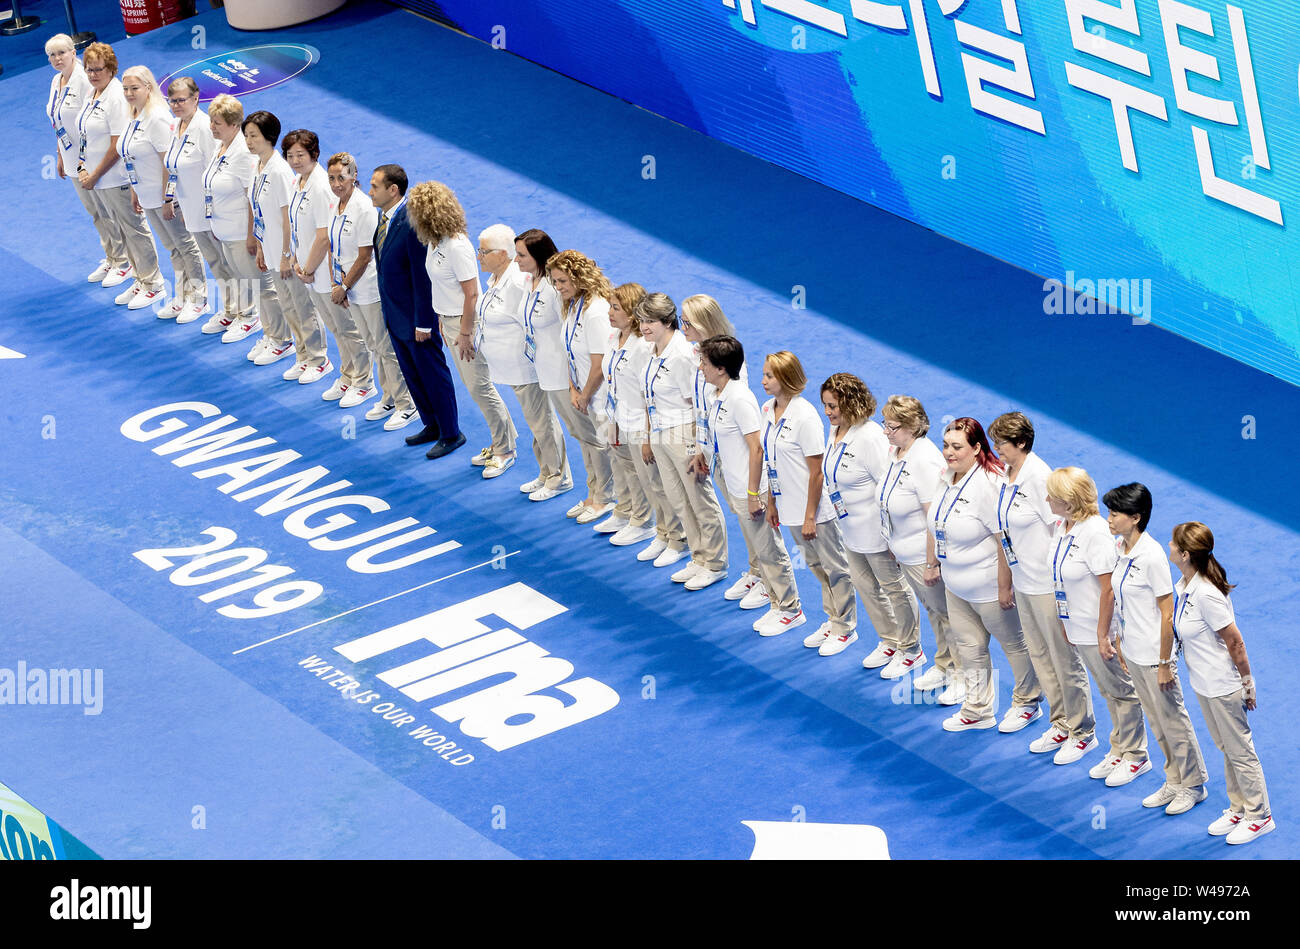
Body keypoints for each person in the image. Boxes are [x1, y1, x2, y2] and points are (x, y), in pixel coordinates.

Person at [926, 418, 1042, 732]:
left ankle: (1027, 702)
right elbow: (937, 523)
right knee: (969, 647)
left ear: (977, 449)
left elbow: (1003, 541)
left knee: (1013, 645)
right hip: (956, 584)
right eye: (946, 445)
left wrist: (1005, 587)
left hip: (989, 586)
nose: (949, 452)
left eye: (957, 447)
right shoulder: (945, 477)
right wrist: (933, 563)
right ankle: (978, 709)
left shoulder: (989, 484)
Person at [989, 412, 1095, 755]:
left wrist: (1060, 584)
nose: (996, 449)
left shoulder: (1039, 477)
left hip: (1048, 587)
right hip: (1024, 581)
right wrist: (1009, 581)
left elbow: (1059, 530)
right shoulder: (1008, 472)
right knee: (1040, 655)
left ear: (1021, 443)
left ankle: (1083, 731)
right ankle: (1061, 722)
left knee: (1064, 659)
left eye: (1001, 443)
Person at [1169, 522, 1275, 844]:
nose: (1169, 547)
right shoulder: (1184, 585)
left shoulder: (1206, 594)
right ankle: (1239, 806)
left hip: (1223, 686)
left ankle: (1260, 815)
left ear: (1186, 554)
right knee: (1226, 747)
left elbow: (1235, 642)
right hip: (1203, 683)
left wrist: (1247, 682)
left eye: (1174, 544)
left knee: (1240, 751)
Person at [1046, 467, 1152, 781]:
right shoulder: (1062, 526)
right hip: (1078, 622)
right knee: (1109, 691)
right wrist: (1066, 619)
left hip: (1098, 628)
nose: (1047, 499)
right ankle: (1119, 749)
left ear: (1068, 501)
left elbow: (1108, 589)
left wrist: (1104, 633)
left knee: (1121, 691)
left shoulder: (1094, 533)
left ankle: (1135, 755)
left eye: (1052, 495)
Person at [1104, 483, 1208, 797]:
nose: (1108, 519)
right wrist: (1120, 641)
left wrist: (1165, 663)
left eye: (1114, 514)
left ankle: (1193, 785)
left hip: (1154, 656)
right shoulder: (1121, 550)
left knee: (1173, 721)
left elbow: (1166, 613)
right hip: (1133, 651)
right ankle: (1173, 779)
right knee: (1156, 721)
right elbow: (1124, 603)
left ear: (1135, 517)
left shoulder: (1151, 557)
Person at [699, 337, 804, 635]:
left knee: (770, 550)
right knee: (760, 548)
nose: (701, 368)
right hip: (735, 484)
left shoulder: (740, 399)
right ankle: (775, 601)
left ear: (721, 369)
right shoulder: (718, 394)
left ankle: (790, 608)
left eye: (705, 364)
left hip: (750, 490)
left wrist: (753, 493)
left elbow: (757, 449)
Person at [408, 181, 516, 466]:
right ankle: (502, 440)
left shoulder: (457, 246)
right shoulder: (435, 242)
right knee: (475, 386)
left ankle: (505, 449)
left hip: (467, 324)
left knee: (480, 387)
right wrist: (442, 319)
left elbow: (471, 294)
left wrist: (465, 333)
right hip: (451, 321)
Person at [821, 374, 920, 675]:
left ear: (851, 404)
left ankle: (912, 649)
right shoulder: (835, 429)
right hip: (850, 531)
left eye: (833, 406)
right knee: (866, 586)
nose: (828, 412)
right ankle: (889, 640)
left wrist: (892, 536)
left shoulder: (871, 438)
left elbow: (887, 488)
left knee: (895, 589)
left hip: (878, 535)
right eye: (825, 405)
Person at [761, 351, 856, 651]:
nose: (763, 381)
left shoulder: (805, 417)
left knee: (835, 568)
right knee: (816, 566)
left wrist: (811, 516)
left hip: (814, 510)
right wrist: (772, 502)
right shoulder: (767, 409)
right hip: (788, 505)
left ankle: (845, 627)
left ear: (787, 379)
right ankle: (832, 619)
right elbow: (770, 461)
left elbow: (817, 473)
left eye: (769, 376)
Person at [368, 164, 461, 448]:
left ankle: (450, 432)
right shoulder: (384, 219)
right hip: (396, 316)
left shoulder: (411, 223)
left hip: (416, 320)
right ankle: (431, 424)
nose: (369, 191)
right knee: (413, 375)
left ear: (392, 190)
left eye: (374, 186)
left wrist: (424, 322)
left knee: (432, 375)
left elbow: (423, 279)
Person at [680, 294, 762, 608]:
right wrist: (698, 449)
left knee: (752, 518)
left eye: (688, 322)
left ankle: (767, 577)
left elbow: (732, 415)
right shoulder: (695, 356)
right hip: (713, 453)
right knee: (741, 517)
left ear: (705, 325)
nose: (683, 327)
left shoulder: (728, 360)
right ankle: (756, 570)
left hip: (735, 457)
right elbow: (699, 409)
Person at [639, 293, 726, 584]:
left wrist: (698, 444)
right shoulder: (654, 351)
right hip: (661, 432)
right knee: (679, 499)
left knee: (699, 499)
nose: (644, 327)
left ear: (667, 322)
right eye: (641, 320)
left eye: (650, 321)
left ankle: (715, 563)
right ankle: (698, 555)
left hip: (682, 432)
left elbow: (696, 403)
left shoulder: (681, 355)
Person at [879, 396, 961, 704]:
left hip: (922, 555)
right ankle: (944, 663)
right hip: (905, 551)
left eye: (892, 426)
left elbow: (934, 517)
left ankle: (962, 675)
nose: (886, 431)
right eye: (884, 423)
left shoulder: (924, 460)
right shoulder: (897, 452)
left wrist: (931, 563)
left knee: (948, 614)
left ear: (913, 426)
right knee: (934, 611)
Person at [322, 152, 413, 418]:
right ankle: (388, 396)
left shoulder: (362, 207)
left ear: (353, 177)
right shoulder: (335, 204)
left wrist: (344, 286)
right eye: (331, 178)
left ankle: (406, 403)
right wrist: (337, 283)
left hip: (368, 289)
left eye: (342, 177)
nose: (337, 183)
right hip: (351, 289)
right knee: (373, 345)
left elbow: (364, 256)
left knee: (385, 347)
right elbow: (334, 247)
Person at [76, 42, 165, 310]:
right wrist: (82, 166)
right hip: (97, 176)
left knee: (134, 229)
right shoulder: (93, 93)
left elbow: (116, 144)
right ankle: (139, 278)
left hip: (115, 177)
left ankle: (154, 282)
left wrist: (95, 174)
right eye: (89, 70)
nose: (92, 75)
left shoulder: (115, 96)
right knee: (119, 228)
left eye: (98, 69)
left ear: (111, 68)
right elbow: (84, 135)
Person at [243, 110, 330, 375]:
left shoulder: (280, 171)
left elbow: (286, 217)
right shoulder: (258, 166)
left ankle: (318, 359)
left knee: (303, 307)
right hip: (269, 249)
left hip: (286, 254)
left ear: (268, 137)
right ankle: (302, 355)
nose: (248, 141)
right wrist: (260, 246)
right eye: (246, 135)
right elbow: (259, 210)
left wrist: (284, 254)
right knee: (289, 306)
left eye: (253, 136)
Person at [201, 94, 283, 347]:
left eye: (217, 122)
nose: (211, 126)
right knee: (240, 278)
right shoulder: (220, 147)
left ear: (233, 124)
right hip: (224, 228)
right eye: (212, 121)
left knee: (262, 288)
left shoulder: (243, 154)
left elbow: (252, 199)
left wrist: (251, 236)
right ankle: (258, 324)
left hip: (240, 232)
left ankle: (278, 337)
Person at [120, 65, 201, 316]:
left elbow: (169, 162)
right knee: (173, 248)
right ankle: (182, 295)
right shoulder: (134, 114)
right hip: (147, 194)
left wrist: (168, 197)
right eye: (125, 89)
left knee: (185, 245)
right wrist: (135, 190)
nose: (130, 93)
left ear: (148, 87)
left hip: (165, 196)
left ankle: (198, 298)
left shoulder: (156, 117)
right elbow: (131, 156)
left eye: (135, 88)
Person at [287, 129, 362, 393]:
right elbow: (298, 227)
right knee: (336, 328)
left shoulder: (321, 185)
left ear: (314, 154)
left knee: (347, 329)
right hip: (309, 270)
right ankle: (347, 375)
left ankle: (363, 382)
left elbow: (323, 236)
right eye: (291, 155)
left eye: (301, 155)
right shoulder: (298, 182)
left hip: (324, 271)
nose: (295, 161)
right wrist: (296, 259)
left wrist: (307, 268)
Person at [45, 33, 123, 286]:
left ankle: (124, 261)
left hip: (90, 159)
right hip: (71, 159)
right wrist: (60, 155)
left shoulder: (83, 80)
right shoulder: (57, 80)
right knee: (96, 213)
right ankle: (111, 256)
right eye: (52, 55)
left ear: (72, 52)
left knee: (108, 210)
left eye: (62, 53)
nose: (57, 59)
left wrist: (87, 164)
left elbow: (91, 124)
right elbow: (57, 120)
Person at [548, 250, 616, 523]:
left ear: (580, 277)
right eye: (555, 282)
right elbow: (569, 350)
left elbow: (600, 363)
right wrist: (573, 389)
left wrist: (585, 394)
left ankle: (605, 498)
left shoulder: (597, 311)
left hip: (599, 396)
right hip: (581, 391)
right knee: (586, 442)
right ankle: (593, 491)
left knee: (600, 445)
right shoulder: (574, 304)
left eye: (563, 281)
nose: (558, 287)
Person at [512, 229, 572, 501]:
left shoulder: (554, 287)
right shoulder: (530, 281)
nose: (516, 260)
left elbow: (567, 329)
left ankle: (561, 478)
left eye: (522, 255)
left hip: (558, 368)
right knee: (539, 422)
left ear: (538, 256)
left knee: (554, 424)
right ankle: (547, 470)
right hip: (537, 362)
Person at [475, 223, 537, 477]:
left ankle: (555, 476)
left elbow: (531, 325)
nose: (478, 256)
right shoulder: (496, 278)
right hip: (507, 365)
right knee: (537, 422)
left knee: (540, 424)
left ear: (502, 254)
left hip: (523, 368)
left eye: (483, 251)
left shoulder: (516, 282)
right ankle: (548, 474)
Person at [598, 283, 658, 542]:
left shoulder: (642, 347)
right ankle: (625, 510)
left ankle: (643, 521)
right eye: (610, 306)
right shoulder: (614, 337)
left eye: (615, 308)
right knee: (621, 465)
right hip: (617, 415)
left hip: (637, 420)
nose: (609, 312)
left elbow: (648, 394)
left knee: (642, 475)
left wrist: (646, 433)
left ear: (632, 313)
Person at [163, 77, 220, 324]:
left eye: (181, 100)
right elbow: (175, 168)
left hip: (211, 211)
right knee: (215, 262)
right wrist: (176, 200)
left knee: (224, 262)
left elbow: (214, 171)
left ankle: (245, 312)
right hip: (191, 206)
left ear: (196, 98)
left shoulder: (205, 128)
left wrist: (211, 211)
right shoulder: (178, 126)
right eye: (172, 101)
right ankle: (230, 310)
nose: (176, 105)